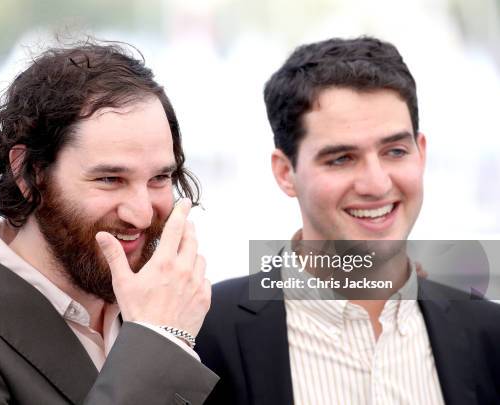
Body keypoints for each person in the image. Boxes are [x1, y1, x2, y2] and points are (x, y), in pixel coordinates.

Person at [0, 41, 218, 404]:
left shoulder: (165, 303)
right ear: (28, 172)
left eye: (159, 178)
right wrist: (157, 340)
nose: (141, 213)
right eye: (110, 179)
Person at [195, 37, 500, 404]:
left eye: (395, 151)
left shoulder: (489, 335)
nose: (376, 183)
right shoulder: (205, 334)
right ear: (285, 173)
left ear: (421, 154)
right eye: (341, 158)